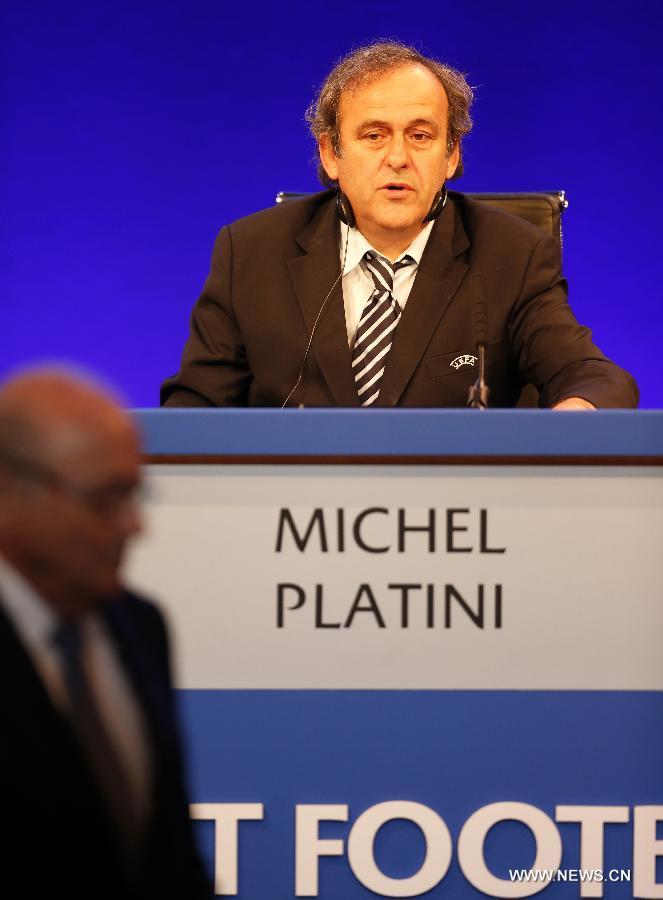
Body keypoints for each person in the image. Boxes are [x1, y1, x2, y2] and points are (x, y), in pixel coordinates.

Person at [160, 40, 637, 410]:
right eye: (374, 135)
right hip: (295, 520)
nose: (397, 158)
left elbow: (593, 375)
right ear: (331, 155)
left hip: (456, 519)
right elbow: (194, 408)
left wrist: (577, 411)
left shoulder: (511, 255)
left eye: (421, 135)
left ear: (451, 155)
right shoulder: (251, 252)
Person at [0, 368, 212, 900]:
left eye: (135, 495)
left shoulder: (140, 628)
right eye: (104, 500)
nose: (134, 526)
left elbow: (167, 860)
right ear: (10, 494)